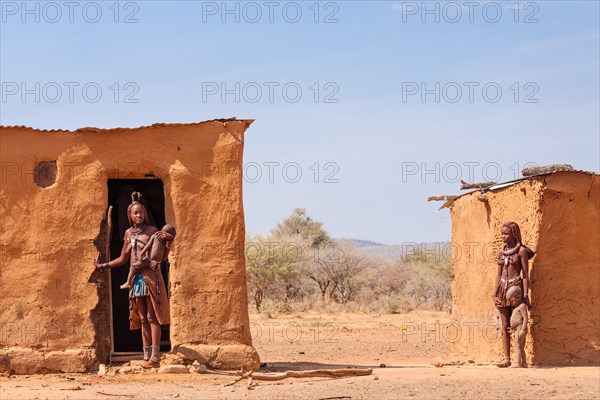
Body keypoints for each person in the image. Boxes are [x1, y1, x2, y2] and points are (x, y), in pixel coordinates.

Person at [94, 192, 172, 368]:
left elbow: (162, 256)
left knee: (153, 317)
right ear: (129, 215)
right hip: (136, 280)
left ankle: (156, 356)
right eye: (135, 213)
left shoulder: (153, 231)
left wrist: (167, 243)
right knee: (143, 318)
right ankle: (146, 356)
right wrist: (103, 266)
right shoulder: (128, 234)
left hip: (151, 278)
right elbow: (122, 259)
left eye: (141, 212)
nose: (139, 215)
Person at [492, 221, 533, 368]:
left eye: (506, 233)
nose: (502, 236)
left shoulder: (521, 251)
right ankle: (506, 358)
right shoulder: (501, 252)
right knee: (504, 324)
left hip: (515, 290)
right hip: (503, 290)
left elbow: (525, 275)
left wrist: (526, 294)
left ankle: (520, 360)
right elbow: (498, 275)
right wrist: (495, 292)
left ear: (514, 234)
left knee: (517, 323)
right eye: (502, 233)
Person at [120, 224, 176, 290]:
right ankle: (128, 282)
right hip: (148, 260)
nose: (162, 235)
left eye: (166, 235)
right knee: (134, 266)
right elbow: (148, 245)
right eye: (162, 233)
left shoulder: (166, 243)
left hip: (157, 264)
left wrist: (170, 240)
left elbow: (165, 256)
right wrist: (142, 253)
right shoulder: (154, 236)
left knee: (156, 280)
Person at [506, 286, 528, 368]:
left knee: (518, 345)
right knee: (520, 346)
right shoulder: (516, 307)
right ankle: (524, 363)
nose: (510, 303)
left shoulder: (522, 306)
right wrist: (512, 329)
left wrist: (523, 329)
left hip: (520, 327)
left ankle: (518, 363)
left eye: (512, 301)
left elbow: (525, 318)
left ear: (518, 297)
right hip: (517, 328)